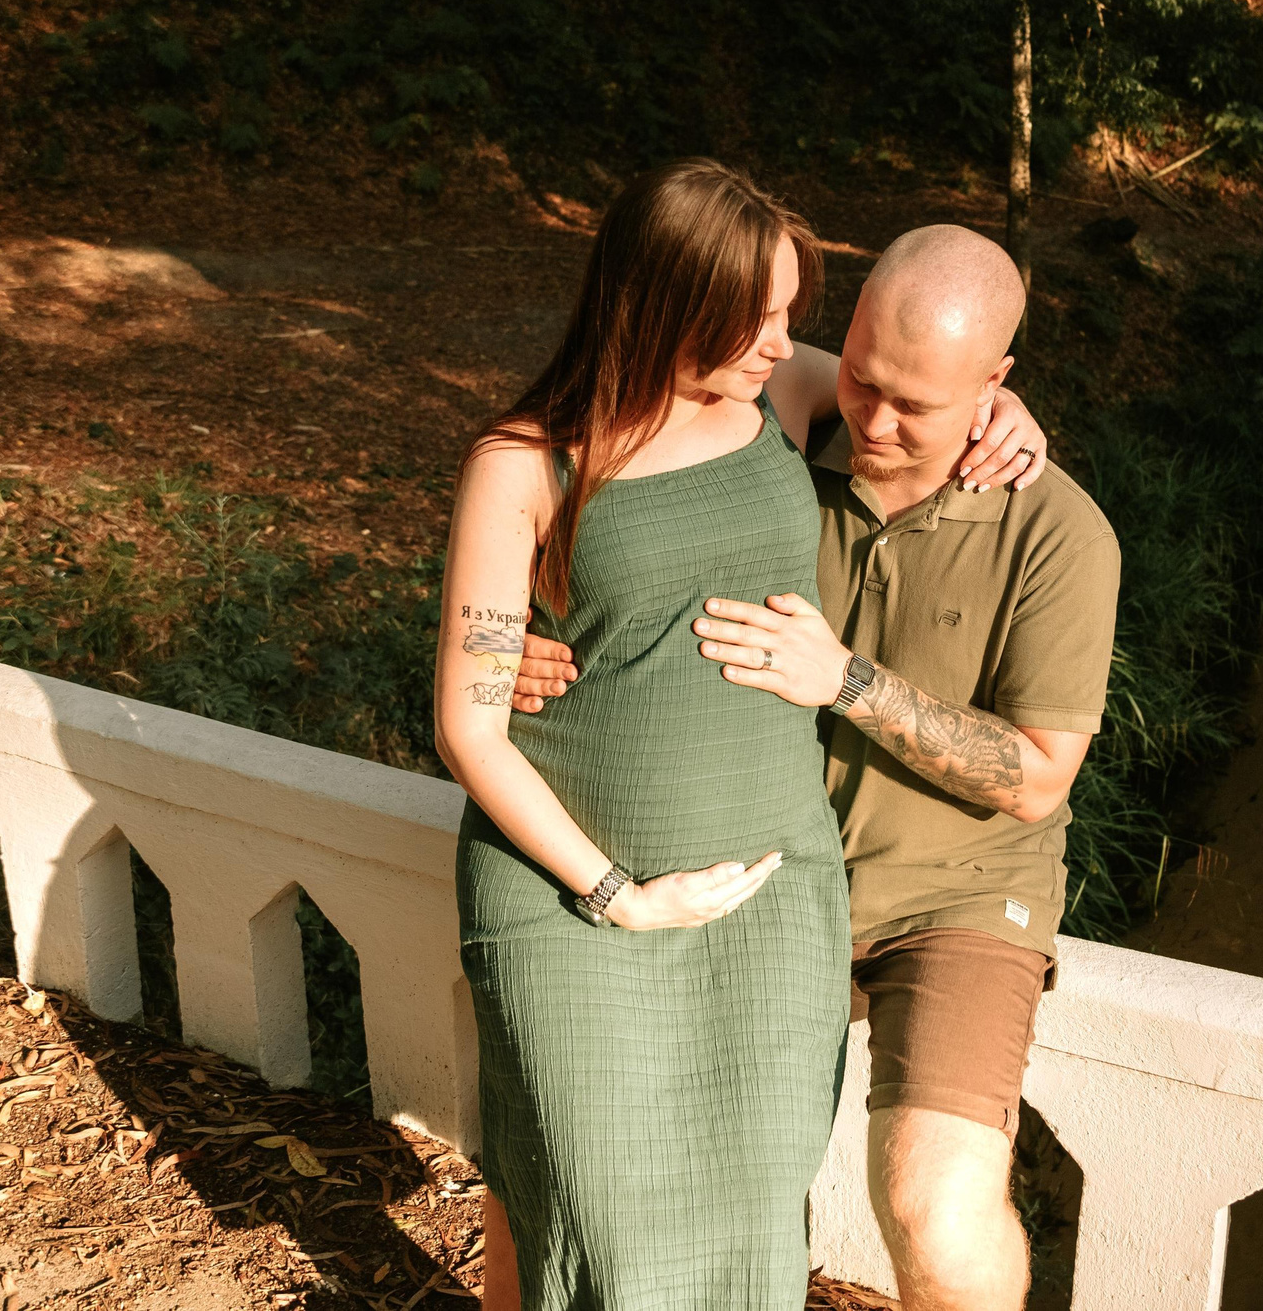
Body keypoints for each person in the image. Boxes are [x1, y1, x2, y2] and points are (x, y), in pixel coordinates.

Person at [439, 167, 1051, 1311]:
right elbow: (468, 728)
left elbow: (918, 395)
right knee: (598, 1214)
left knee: (748, 1225)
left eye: (788, 311)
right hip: (572, 899)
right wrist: (616, 891)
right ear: (663, 304)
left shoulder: (774, 400)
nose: (785, 342)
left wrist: (1004, 409)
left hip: (770, 897)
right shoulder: (522, 464)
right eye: (756, 317)